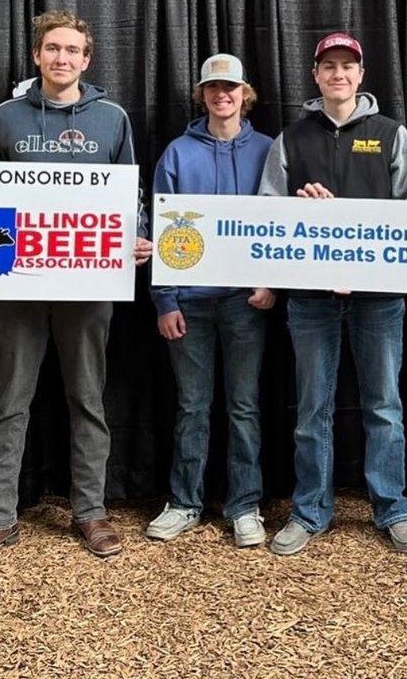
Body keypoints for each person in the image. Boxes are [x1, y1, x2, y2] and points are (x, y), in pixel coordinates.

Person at [0, 9, 153, 570]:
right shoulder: (7, 116)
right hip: (15, 284)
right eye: (53, 49)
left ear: (87, 60)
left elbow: (130, 195)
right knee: (9, 402)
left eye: (73, 50)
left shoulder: (111, 118)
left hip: (89, 284)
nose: (62, 58)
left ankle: (91, 511)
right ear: (37, 55)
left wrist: (136, 236)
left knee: (87, 398)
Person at [257, 31, 407, 556]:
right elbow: (267, 215)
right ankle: (309, 511)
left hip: (378, 297)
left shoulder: (391, 135)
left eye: (347, 65)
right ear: (315, 75)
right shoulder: (291, 139)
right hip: (311, 299)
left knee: (385, 406)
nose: (338, 74)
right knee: (313, 410)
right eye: (328, 66)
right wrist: (299, 207)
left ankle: (392, 508)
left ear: (361, 74)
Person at [146, 53, 275, 547]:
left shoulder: (268, 150)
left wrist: (270, 283)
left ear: (245, 94)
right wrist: (165, 301)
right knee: (192, 407)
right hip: (190, 305)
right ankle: (184, 503)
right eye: (214, 88)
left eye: (231, 88)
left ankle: (245, 506)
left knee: (244, 407)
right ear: (202, 95)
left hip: (246, 302)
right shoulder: (178, 153)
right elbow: (159, 227)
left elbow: (281, 224)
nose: (223, 95)